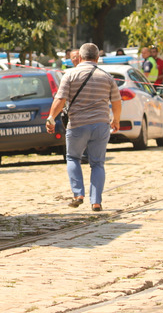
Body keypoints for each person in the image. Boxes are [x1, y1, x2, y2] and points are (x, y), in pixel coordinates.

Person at [45, 43, 121, 212]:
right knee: (97, 164)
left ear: (79, 57)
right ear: (97, 58)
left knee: (73, 158)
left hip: (77, 125)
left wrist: (51, 117)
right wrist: (116, 120)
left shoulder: (70, 75)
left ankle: (78, 194)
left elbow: (60, 99)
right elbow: (116, 101)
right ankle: (96, 202)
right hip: (101, 125)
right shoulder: (106, 76)